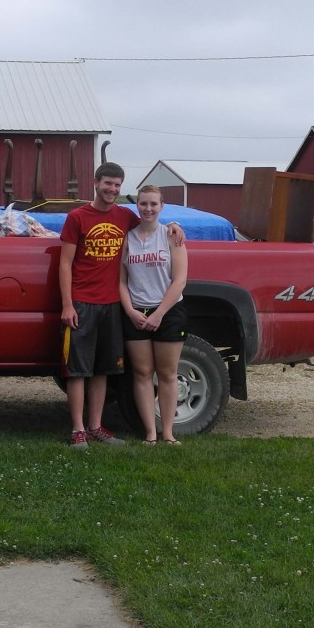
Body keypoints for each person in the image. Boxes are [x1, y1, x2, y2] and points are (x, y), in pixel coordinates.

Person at [59, 163, 183, 449]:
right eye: (107, 184)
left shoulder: (125, 217)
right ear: (96, 183)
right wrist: (68, 304)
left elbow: (153, 221)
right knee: (77, 370)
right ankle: (78, 429)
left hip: (113, 305)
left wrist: (176, 225)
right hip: (82, 303)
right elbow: (65, 264)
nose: (112, 189)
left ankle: (96, 426)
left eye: (117, 185)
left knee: (103, 368)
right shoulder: (77, 217)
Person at [118, 185, 188, 445]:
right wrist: (130, 311)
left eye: (153, 204)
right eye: (143, 203)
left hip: (168, 312)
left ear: (161, 206)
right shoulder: (128, 238)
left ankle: (168, 432)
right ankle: (150, 432)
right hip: (136, 312)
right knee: (142, 373)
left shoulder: (172, 236)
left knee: (168, 374)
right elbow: (121, 282)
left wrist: (159, 314)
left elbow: (179, 280)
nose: (148, 209)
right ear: (137, 206)